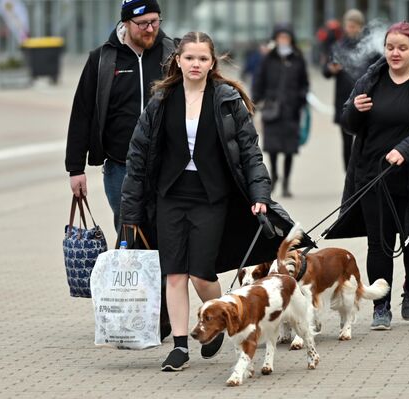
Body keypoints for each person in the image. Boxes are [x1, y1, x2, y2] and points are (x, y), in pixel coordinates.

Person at [120, 31, 303, 371]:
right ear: (178, 60)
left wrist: (260, 194)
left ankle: (216, 319)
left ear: (212, 62)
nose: (196, 64)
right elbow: (138, 155)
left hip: (211, 197)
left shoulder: (226, 98)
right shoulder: (161, 99)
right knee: (174, 274)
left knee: (201, 274)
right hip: (169, 196)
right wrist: (130, 210)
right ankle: (178, 346)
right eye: (189, 58)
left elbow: (250, 152)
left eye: (203, 58)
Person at [325, 21, 409, 330]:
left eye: (401, 48)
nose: (394, 53)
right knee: (379, 243)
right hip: (374, 174)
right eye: (389, 48)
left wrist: (405, 149)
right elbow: (350, 123)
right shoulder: (371, 79)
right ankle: (380, 307)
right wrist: (354, 110)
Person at [65, 0, 176, 231]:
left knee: (167, 232)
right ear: (126, 23)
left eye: (155, 22)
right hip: (120, 166)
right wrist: (75, 169)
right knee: (128, 231)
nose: (150, 28)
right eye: (142, 23)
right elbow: (82, 113)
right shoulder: (102, 59)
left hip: (167, 164)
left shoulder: (172, 53)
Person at [252, 24, 309, 198]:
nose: (283, 40)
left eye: (286, 37)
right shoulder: (268, 58)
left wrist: (301, 98)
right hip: (272, 110)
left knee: (290, 149)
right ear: (275, 39)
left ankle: (286, 182)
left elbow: (304, 83)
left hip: (291, 111)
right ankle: (275, 175)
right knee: (273, 148)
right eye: (280, 37)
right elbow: (259, 81)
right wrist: (255, 102)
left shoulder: (298, 58)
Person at [322, 9, 381, 170]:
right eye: (349, 26)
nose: (351, 29)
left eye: (355, 26)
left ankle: (363, 171)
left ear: (361, 26)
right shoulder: (338, 47)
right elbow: (325, 72)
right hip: (344, 100)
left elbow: (380, 68)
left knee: (365, 139)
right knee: (347, 141)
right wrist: (330, 69)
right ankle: (348, 173)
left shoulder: (370, 48)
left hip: (366, 100)